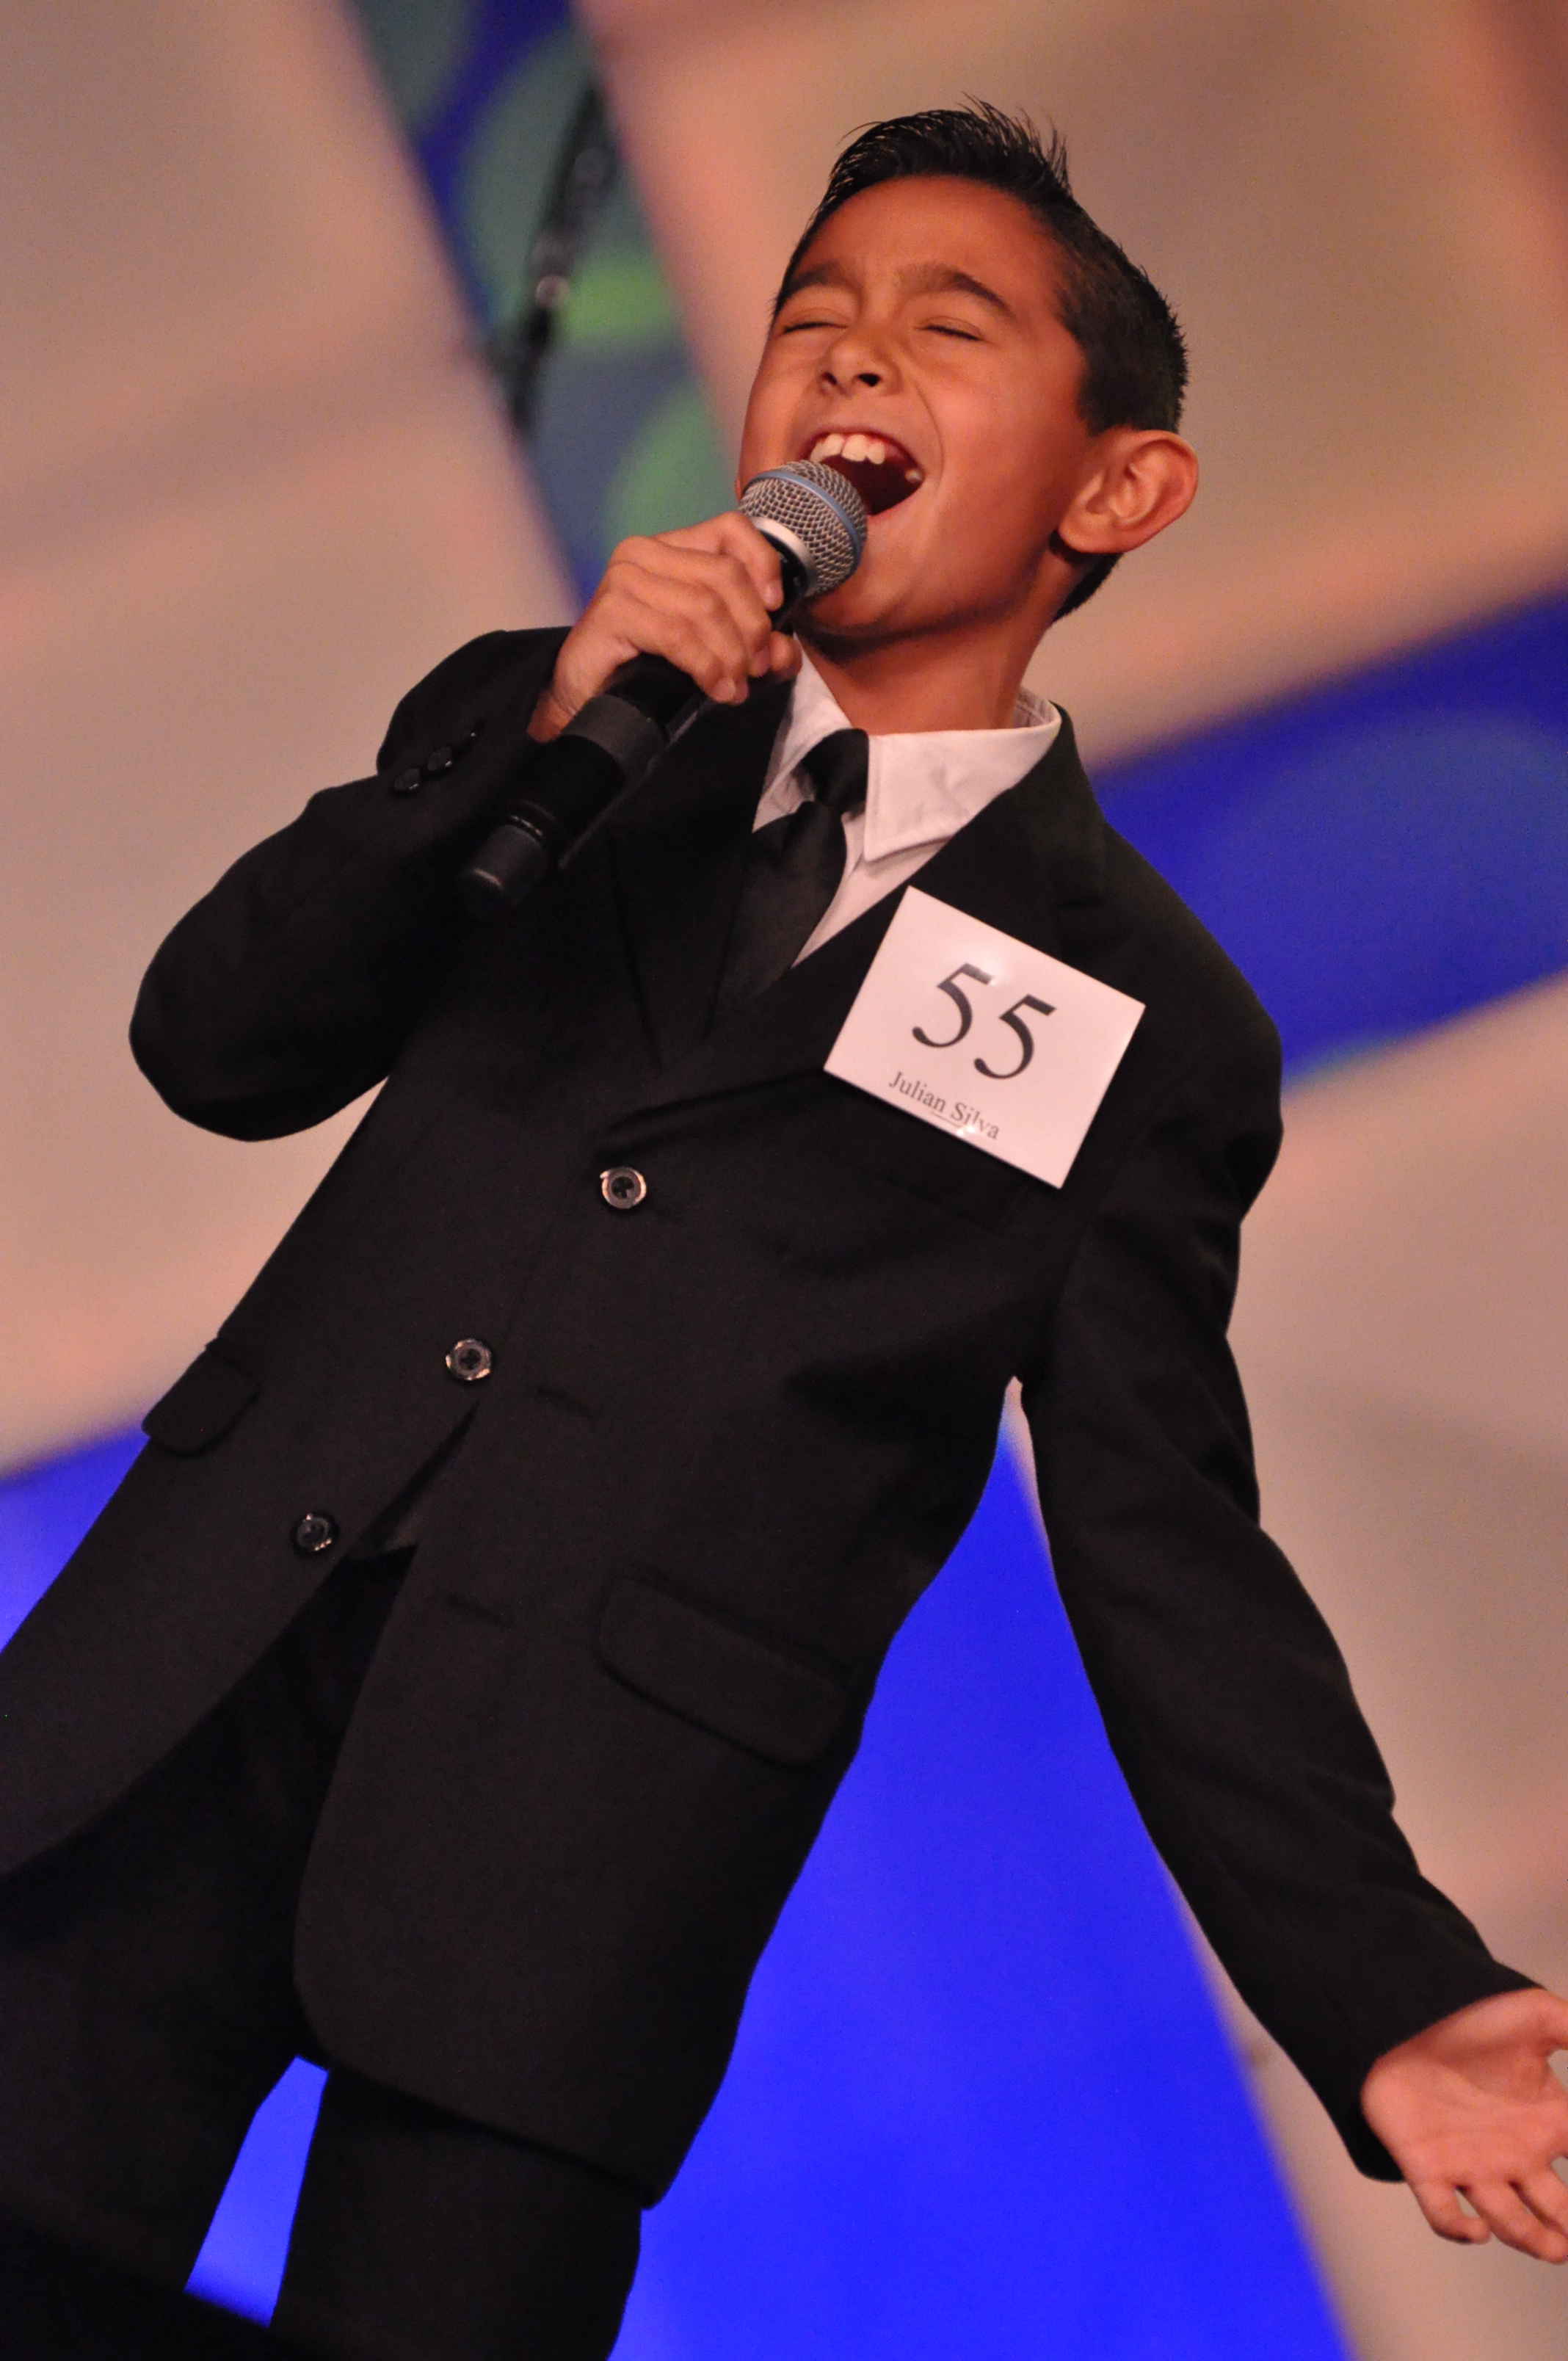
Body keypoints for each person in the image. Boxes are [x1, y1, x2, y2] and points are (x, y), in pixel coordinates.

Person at [1, 103, 1565, 2361]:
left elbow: (1166, 1546)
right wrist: (547, 724)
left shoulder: (1140, 1016)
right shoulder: (551, 724)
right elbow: (217, 1043)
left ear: (1119, 489)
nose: (851, 356)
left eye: (949, 324)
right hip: (181, 1702)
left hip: (579, 1854)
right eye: (813, 315)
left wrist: (1381, 1988)